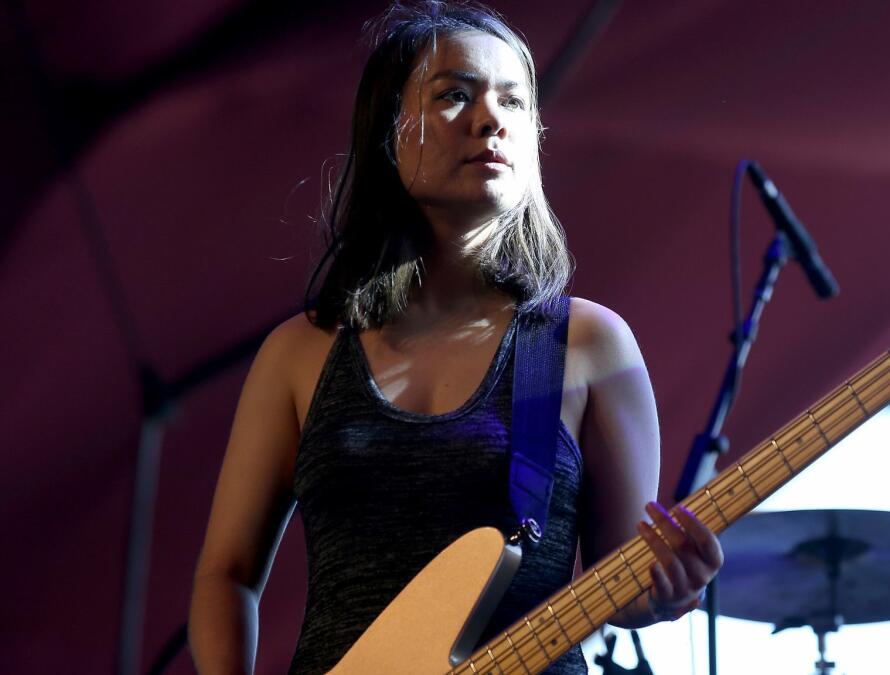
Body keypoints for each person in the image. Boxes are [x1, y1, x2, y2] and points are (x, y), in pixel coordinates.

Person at [187, 3, 723, 673]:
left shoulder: (586, 344)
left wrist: (669, 587)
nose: (490, 119)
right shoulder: (301, 352)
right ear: (387, 130)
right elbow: (227, 574)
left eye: (515, 102)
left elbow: (620, 579)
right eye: (455, 95)